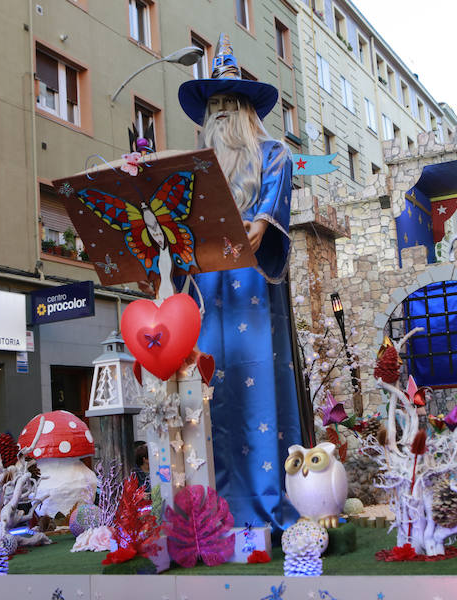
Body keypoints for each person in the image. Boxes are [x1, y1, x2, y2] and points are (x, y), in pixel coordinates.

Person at [178, 33, 302, 530]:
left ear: (248, 111)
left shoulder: (274, 155)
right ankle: (214, 516)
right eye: (216, 106)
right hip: (206, 293)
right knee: (209, 391)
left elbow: (259, 230)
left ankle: (267, 508)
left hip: (250, 291)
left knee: (257, 390)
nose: (223, 115)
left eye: (231, 104)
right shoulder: (194, 170)